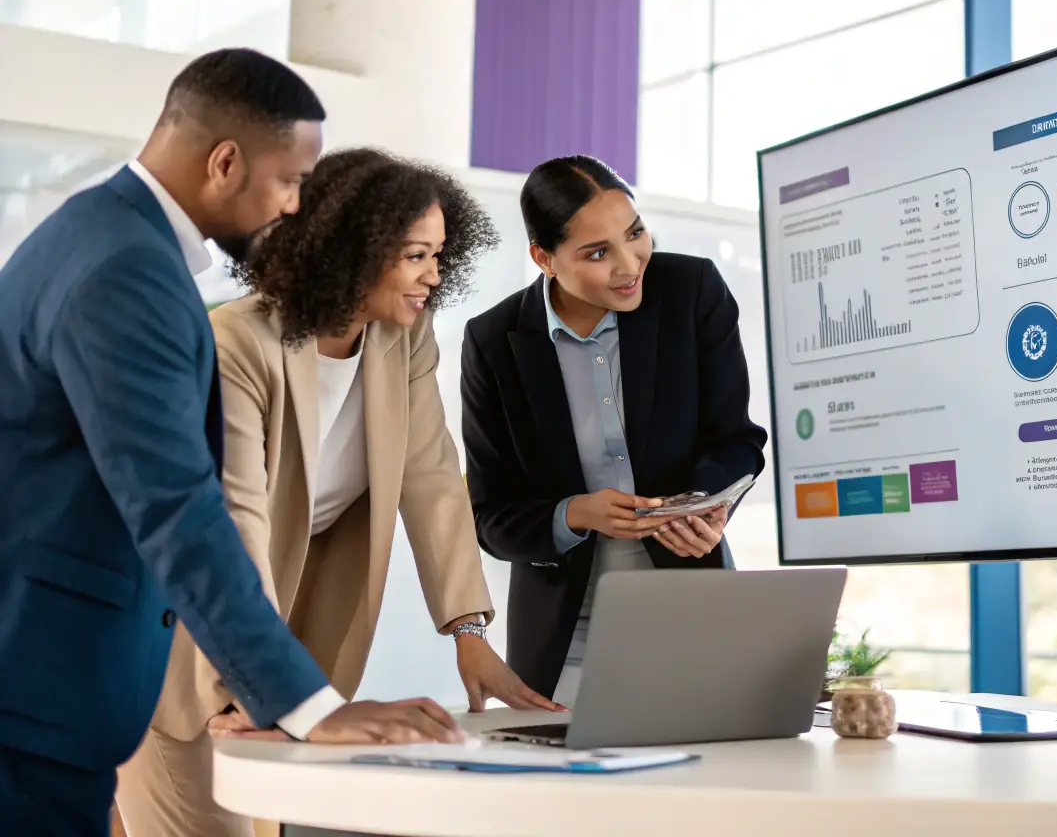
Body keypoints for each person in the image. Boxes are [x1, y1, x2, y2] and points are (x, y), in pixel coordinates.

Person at [0, 50, 460, 835]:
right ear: (224, 162)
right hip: (41, 682)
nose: (293, 208)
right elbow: (180, 508)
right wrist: (304, 704)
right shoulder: (127, 271)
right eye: (289, 182)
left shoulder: (98, 236)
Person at [115, 146, 562, 835]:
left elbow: (433, 476)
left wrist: (467, 631)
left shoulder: (403, 339)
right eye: (415, 256)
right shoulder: (235, 343)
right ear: (351, 251)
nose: (433, 277)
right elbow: (238, 518)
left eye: (439, 256)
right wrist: (257, 682)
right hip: (184, 640)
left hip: (288, 639)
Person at [461, 155, 768, 704]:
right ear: (544, 258)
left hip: (691, 602)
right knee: (568, 786)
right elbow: (491, 517)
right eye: (598, 253)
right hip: (564, 632)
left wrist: (703, 505)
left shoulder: (690, 290)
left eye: (635, 234)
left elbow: (737, 440)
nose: (630, 265)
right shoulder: (494, 341)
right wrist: (576, 513)